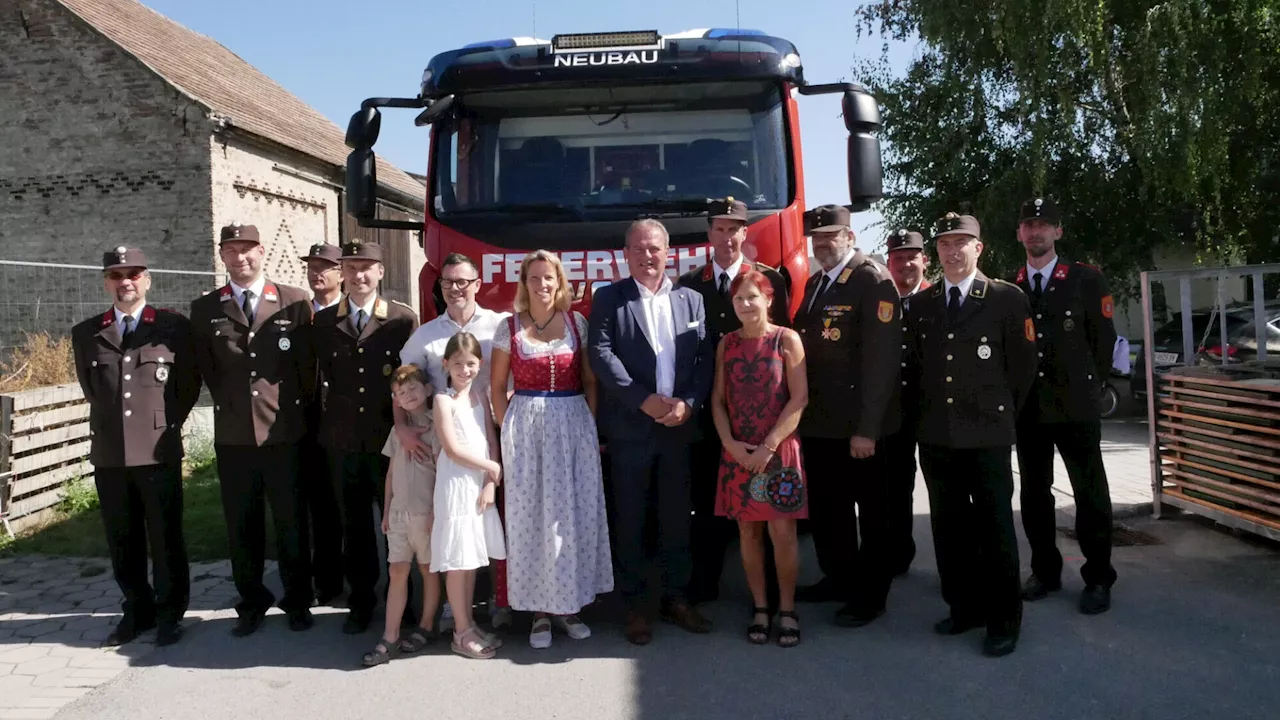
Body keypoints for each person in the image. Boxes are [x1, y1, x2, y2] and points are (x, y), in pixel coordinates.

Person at [904, 212, 1036, 657]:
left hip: (986, 436)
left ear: (979, 249)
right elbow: (919, 371)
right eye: (944, 243)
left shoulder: (1005, 298)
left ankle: (1003, 620)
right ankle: (963, 608)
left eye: (962, 242)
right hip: (938, 437)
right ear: (936, 252)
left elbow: (1021, 368)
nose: (953, 250)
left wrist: (999, 416)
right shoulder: (923, 305)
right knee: (948, 530)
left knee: (996, 530)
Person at [588, 219, 715, 646]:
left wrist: (689, 404)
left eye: (654, 249)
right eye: (639, 249)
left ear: (668, 253)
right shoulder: (609, 298)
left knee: (678, 519)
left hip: (678, 431)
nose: (647, 256)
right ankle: (636, 608)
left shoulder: (692, 300)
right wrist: (640, 399)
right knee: (631, 520)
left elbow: (704, 360)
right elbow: (601, 354)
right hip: (630, 430)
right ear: (625, 254)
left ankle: (676, 599)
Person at [190, 223, 316, 636]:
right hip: (235, 436)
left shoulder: (295, 302)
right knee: (242, 525)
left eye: (247, 249)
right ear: (222, 255)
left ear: (262, 252)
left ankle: (297, 600)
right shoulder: (206, 308)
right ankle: (251, 601)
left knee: (291, 523)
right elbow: (208, 370)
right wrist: (233, 407)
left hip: (284, 433)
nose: (240, 257)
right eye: (232, 250)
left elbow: (306, 370)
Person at [71, 247, 200, 647]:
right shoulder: (87, 333)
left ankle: (169, 613)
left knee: (165, 537)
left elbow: (187, 385)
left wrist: (163, 423)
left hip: (157, 449)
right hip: (110, 453)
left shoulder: (171, 327)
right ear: (106, 281)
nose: (124, 281)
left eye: (133, 274)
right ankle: (136, 609)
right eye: (116, 275)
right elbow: (93, 390)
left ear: (147, 279)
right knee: (122, 538)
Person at [490, 250, 613, 650]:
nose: (543, 285)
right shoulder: (508, 327)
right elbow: (495, 387)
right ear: (524, 283)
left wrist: (588, 427)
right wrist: (509, 429)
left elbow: (591, 382)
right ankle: (539, 612)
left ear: (559, 283)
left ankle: (569, 607)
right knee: (531, 519)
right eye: (535, 278)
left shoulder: (577, 322)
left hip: (573, 424)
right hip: (526, 427)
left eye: (550, 278)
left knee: (570, 517)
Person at [792, 205, 901, 628]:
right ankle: (838, 579)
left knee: (873, 517)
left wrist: (867, 429)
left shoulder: (872, 280)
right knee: (829, 512)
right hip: (820, 425)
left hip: (859, 430)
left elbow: (882, 361)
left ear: (849, 237)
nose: (822, 244)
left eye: (831, 236)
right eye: (816, 238)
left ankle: (871, 597)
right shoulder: (818, 282)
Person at [676, 197, 788, 608]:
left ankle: (772, 593)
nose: (727, 237)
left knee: (766, 503)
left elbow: (783, 344)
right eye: (719, 229)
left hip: (761, 416)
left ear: (746, 233)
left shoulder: (768, 278)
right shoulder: (689, 284)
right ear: (709, 234)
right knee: (707, 501)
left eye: (734, 228)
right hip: (710, 411)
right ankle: (705, 585)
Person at [1010, 197, 1119, 614]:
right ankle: (1045, 571)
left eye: (1044, 224)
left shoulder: (1085, 279)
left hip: (1076, 406)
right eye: (1028, 225)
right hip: (1031, 411)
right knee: (1035, 496)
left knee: (1090, 494)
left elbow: (1103, 342)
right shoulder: (1011, 286)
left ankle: (1098, 577)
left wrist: (1092, 388)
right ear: (1019, 233)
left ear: (1058, 232)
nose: (1036, 231)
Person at [398, 252, 512, 632]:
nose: (455, 288)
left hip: (494, 433)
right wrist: (401, 426)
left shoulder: (499, 327)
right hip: (445, 444)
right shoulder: (426, 335)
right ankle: (454, 608)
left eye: (463, 281)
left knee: (493, 520)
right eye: (448, 282)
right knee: (451, 521)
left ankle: (500, 600)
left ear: (478, 284)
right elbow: (401, 383)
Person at [314, 239, 419, 634]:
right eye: (351, 267)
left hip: (388, 439)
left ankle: (403, 600)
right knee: (354, 526)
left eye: (366, 268)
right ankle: (360, 601)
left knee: (397, 521)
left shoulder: (401, 320)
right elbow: (315, 380)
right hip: (342, 440)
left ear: (380, 272)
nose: (358, 275)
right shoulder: (324, 322)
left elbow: (412, 381)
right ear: (342, 272)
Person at [711, 266, 808, 647]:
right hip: (738, 450)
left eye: (753, 296)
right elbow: (718, 401)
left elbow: (799, 398)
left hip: (778, 450)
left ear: (768, 299)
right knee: (748, 532)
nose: (746, 304)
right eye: (739, 298)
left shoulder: (787, 340)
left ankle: (787, 609)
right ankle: (760, 608)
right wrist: (731, 444)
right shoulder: (727, 344)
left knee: (782, 532)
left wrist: (768, 446)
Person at [432, 333, 507, 659]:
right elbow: (452, 448)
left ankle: (469, 622)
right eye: (459, 364)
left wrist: (490, 482)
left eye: (471, 364)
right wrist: (490, 466)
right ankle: (460, 632)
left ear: (480, 365)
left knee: (472, 556)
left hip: (478, 485)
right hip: (456, 484)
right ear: (446, 364)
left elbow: (492, 439)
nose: (465, 370)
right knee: (457, 561)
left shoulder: (480, 397)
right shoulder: (442, 401)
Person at [362, 365, 441, 667]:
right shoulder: (398, 430)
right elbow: (391, 471)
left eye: (413, 389)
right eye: (400, 392)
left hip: (425, 512)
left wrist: (436, 510)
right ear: (394, 399)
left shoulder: (437, 425)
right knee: (397, 571)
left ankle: (426, 626)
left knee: (428, 570)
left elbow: (443, 471)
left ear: (428, 390)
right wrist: (387, 507)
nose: (408, 395)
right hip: (397, 514)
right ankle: (390, 636)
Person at [882, 229, 932, 576]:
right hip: (893, 410)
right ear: (889, 263)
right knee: (896, 485)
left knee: (945, 489)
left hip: (932, 410)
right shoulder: (881, 300)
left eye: (912, 257)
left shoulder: (939, 298)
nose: (905, 264)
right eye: (898, 258)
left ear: (924, 261)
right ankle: (898, 552)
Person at [298, 242, 344, 605]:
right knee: (318, 505)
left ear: (341, 273)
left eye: (325, 267)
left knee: (350, 506)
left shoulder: (350, 312)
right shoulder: (298, 314)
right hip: (307, 422)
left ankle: (362, 581)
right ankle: (324, 582)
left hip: (346, 423)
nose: (318, 273)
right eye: (313, 266)